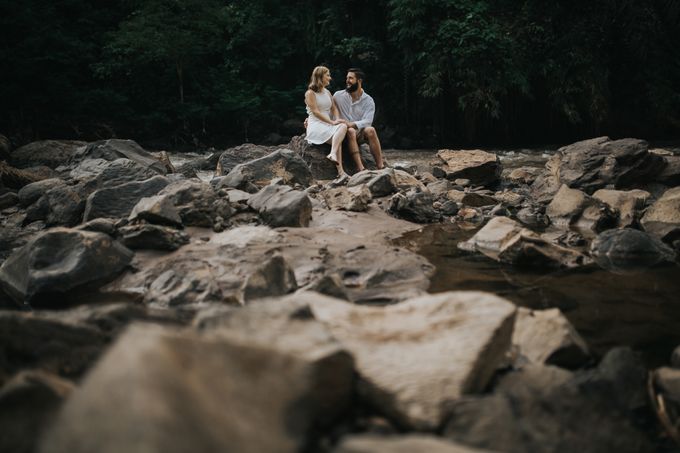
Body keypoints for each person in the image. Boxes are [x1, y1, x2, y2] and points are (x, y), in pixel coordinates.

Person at [333, 68, 385, 171]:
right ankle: (360, 168)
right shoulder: (338, 96)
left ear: (359, 81)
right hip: (342, 133)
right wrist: (311, 119)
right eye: (347, 78)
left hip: (359, 133)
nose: (347, 80)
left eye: (351, 78)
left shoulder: (368, 100)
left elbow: (368, 121)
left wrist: (351, 124)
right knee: (351, 131)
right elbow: (326, 109)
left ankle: (381, 166)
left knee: (371, 130)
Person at [304, 65, 349, 179]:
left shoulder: (327, 92)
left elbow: (334, 108)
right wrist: (332, 122)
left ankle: (333, 155)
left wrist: (336, 120)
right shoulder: (310, 93)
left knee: (341, 129)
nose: (330, 78)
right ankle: (341, 171)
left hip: (328, 123)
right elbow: (315, 112)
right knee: (338, 136)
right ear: (320, 77)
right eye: (328, 75)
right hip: (316, 124)